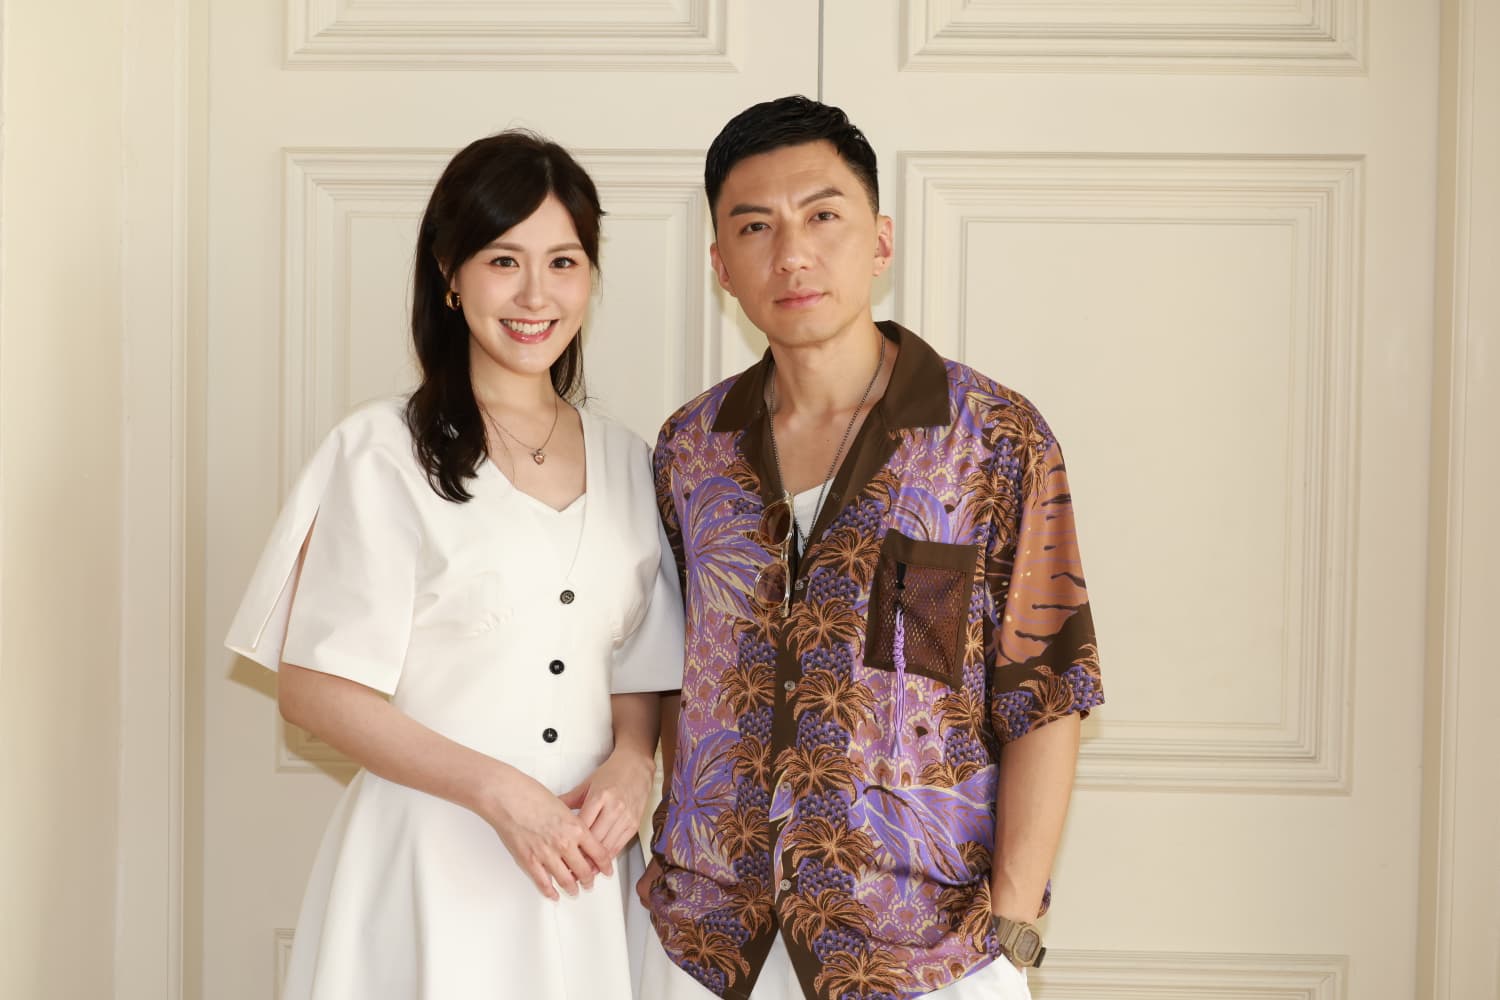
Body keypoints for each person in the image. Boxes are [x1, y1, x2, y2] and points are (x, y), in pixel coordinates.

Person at [636, 96, 1103, 1000]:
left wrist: (1013, 922)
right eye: (755, 227)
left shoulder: (990, 440)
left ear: (880, 241)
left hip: (923, 953)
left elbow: (1047, 686)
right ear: (720, 265)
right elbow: (665, 670)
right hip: (709, 947)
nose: (792, 253)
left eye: (823, 216)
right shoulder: (691, 449)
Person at [225, 130, 683, 1000]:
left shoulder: (633, 461)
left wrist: (633, 763)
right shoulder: (380, 452)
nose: (536, 294)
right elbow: (313, 689)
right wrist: (500, 792)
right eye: (504, 260)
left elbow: (638, 663)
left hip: (585, 878)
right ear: (450, 273)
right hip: (428, 871)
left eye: (563, 262)